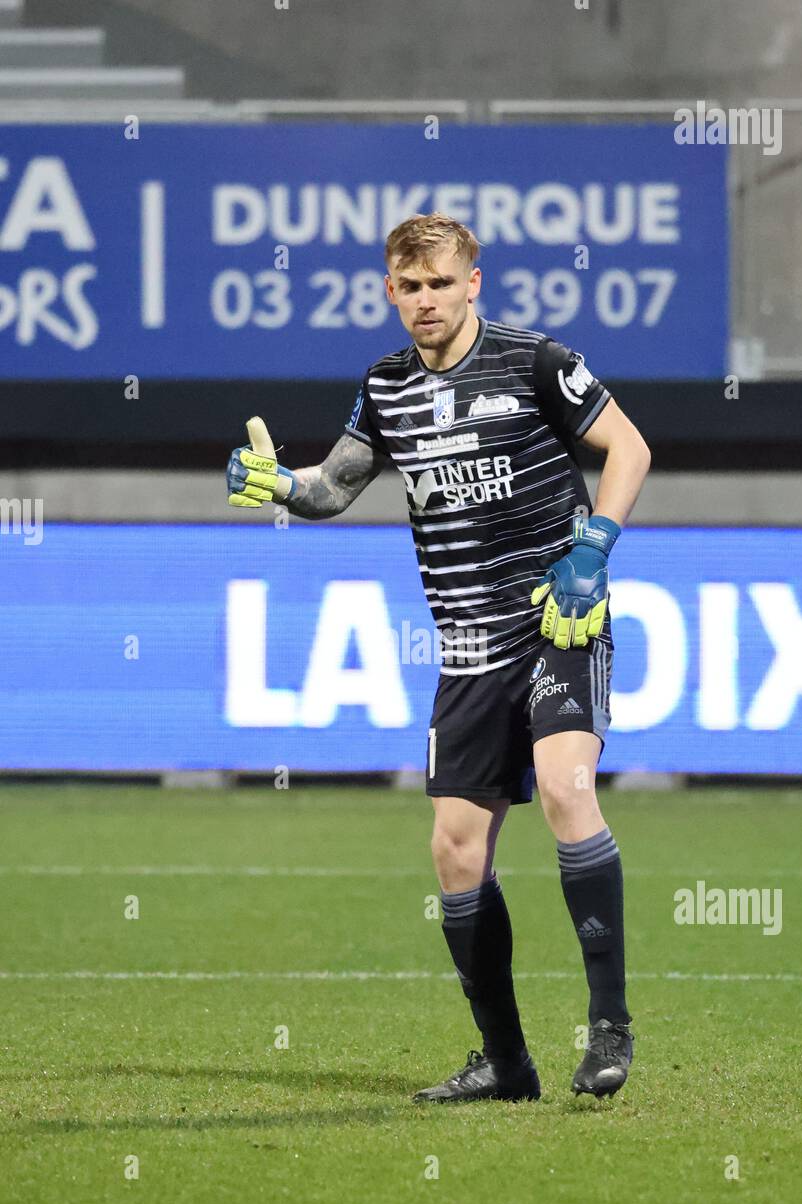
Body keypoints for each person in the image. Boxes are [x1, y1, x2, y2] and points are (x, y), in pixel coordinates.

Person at [226, 213, 651, 1103]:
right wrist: (281, 488)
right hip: (465, 646)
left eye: (440, 284)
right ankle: (506, 1062)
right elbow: (335, 486)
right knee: (457, 854)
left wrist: (593, 548)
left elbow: (629, 447)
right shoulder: (385, 388)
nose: (425, 301)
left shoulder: (535, 361)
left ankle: (608, 1028)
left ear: (472, 283)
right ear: (391, 291)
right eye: (408, 287)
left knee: (569, 791)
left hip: (555, 619)